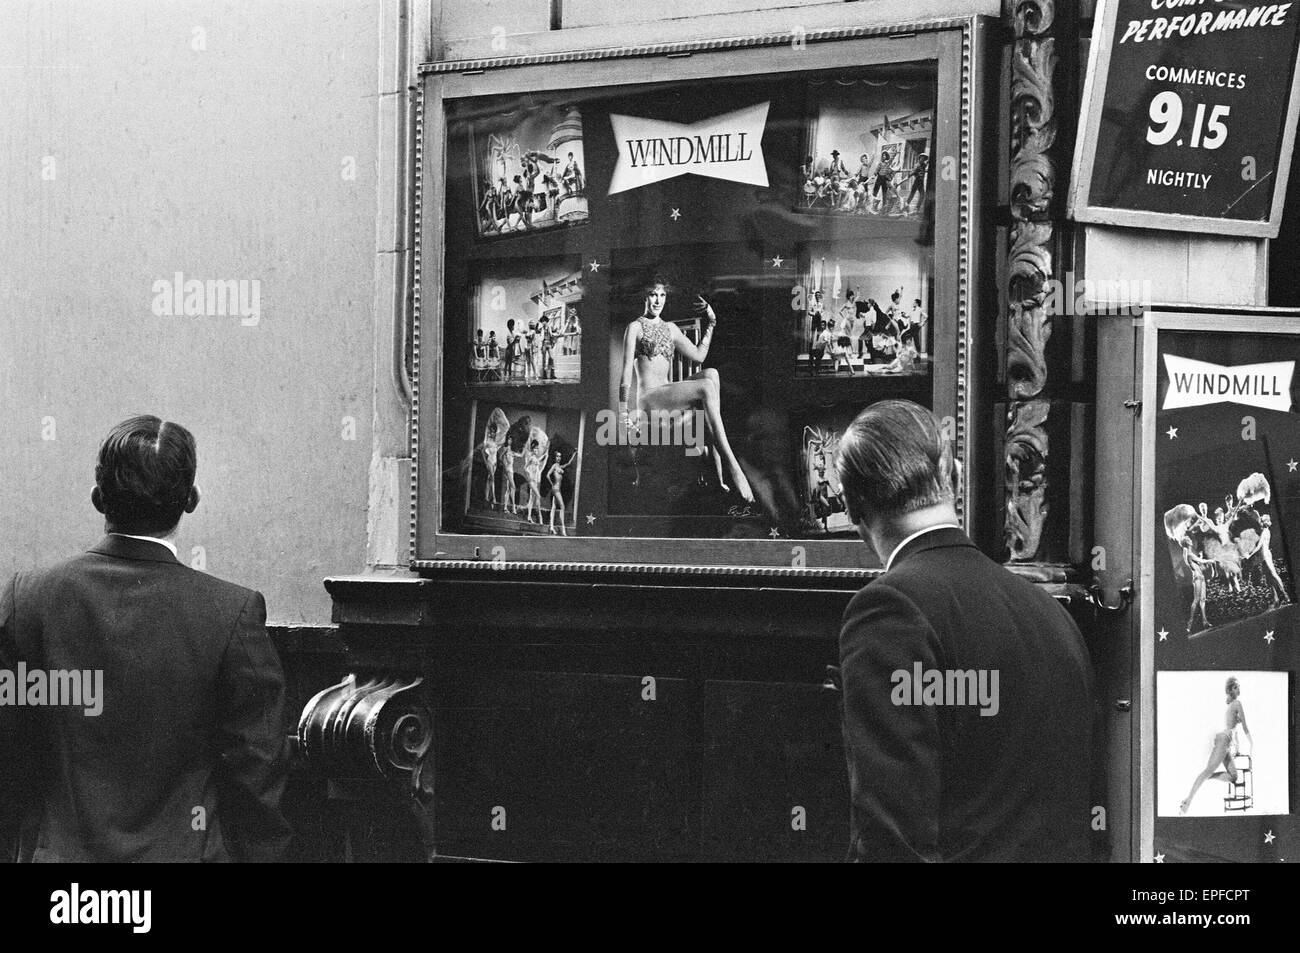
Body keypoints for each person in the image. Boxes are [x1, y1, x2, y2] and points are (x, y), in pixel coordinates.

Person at [0, 416, 291, 862]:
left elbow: (10, 760)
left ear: (98, 498)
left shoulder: (27, 600)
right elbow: (255, 777)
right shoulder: (232, 612)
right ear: (190, 499)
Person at [835, 400, 1093, 861]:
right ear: (950, 480)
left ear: (854, 507)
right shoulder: (1051, 614)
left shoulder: (890, 609)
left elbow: (893, 837)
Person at [618, 277, 753, 501]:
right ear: (645, 297)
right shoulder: (634, 327)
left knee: (712, 375)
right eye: (653, 295)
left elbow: (699, 356)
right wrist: (623, 412)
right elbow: (624, 375)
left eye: (662, 295)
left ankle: (717, 476)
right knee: (705, 388)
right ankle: (732, 465)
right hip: (649, 400)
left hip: (668, 393)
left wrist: (711, 322)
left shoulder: (670, 329)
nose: (658, 300)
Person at [1180, 677, 1251, 814]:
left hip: (1226, 743)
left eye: (1239, 687)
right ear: (1230, 690)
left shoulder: (1231, 705)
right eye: (1236, 687)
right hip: (1223, 741)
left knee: (1233, 776)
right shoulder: (1237, 703)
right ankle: (1187, 802)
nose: (1239, 689)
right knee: (1208, 770)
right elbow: (1245, 727)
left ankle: (1205, 778)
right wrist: (1252, 744)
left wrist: (1237, 747)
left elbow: (1234, 730)